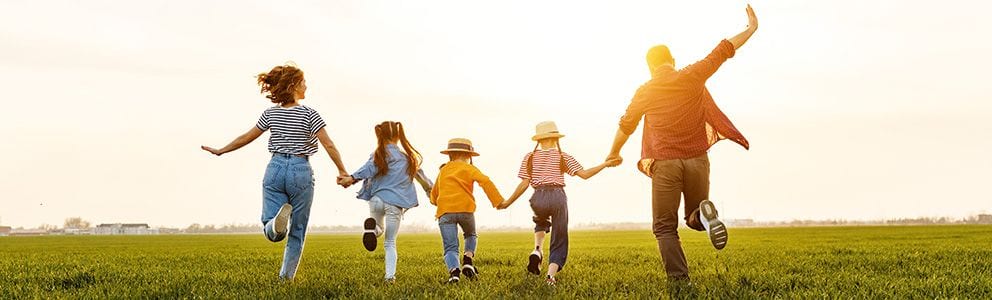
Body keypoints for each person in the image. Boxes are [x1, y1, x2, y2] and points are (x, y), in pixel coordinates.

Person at [604, 4, 758, 281]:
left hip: (666, 164)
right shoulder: (692, 74)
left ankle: (679, 280)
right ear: (672, 60)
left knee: (664, 226)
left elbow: (626, 125)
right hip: (698, 160)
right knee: (693, 217)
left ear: (650, 67)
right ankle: (703, 215)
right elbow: (723, 50)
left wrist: (613, 153)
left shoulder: (646, 90)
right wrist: (751, 28)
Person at [200, 64, 349, 280]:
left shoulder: (271, 114)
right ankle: (285, 279)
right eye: (304, 82)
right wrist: (342, 171)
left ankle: (275, 226)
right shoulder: (310, 114)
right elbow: (329, 144)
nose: (307, 86)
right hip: (301, 170)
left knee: (269, 225)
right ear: (294, 85)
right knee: (297, 230)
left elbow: (246, 137)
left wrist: (222, 150)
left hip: (275, 168)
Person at [498, 121, 619, 285]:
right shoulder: (562, 156)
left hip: (537, 196)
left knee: (540, 221)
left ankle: (537, 250)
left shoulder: (530, 157)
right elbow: (584, 174)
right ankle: (550, 277)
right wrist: (605, 164)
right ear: (556, 138)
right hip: (557, 196)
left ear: (539, 140)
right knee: (559, 236)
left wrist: (507, 202)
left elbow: (524, 183)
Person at [337, 121, 432, 283]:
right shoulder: (408, 157)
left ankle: (372, 231)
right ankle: (390, 278)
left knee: (378, 227)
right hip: (395, 203)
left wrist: (351, 178)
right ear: (398, 135)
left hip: (377, 199)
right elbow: (423, 180)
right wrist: (431, 192)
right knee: (390, 242)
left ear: (380, 135)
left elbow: (366, 170)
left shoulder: (379, 154)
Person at [429, 138, 505, 283]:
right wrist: (497, 201)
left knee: (450, 247)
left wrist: (434, 201)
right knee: (470, 234)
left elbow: (434, 193)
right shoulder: (470, 168)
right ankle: (468, 259)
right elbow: (486, 181)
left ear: (450, 155)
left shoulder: (443, 170)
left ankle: (454, 273)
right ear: (469, 155)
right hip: (466, 210)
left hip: (445, 212)